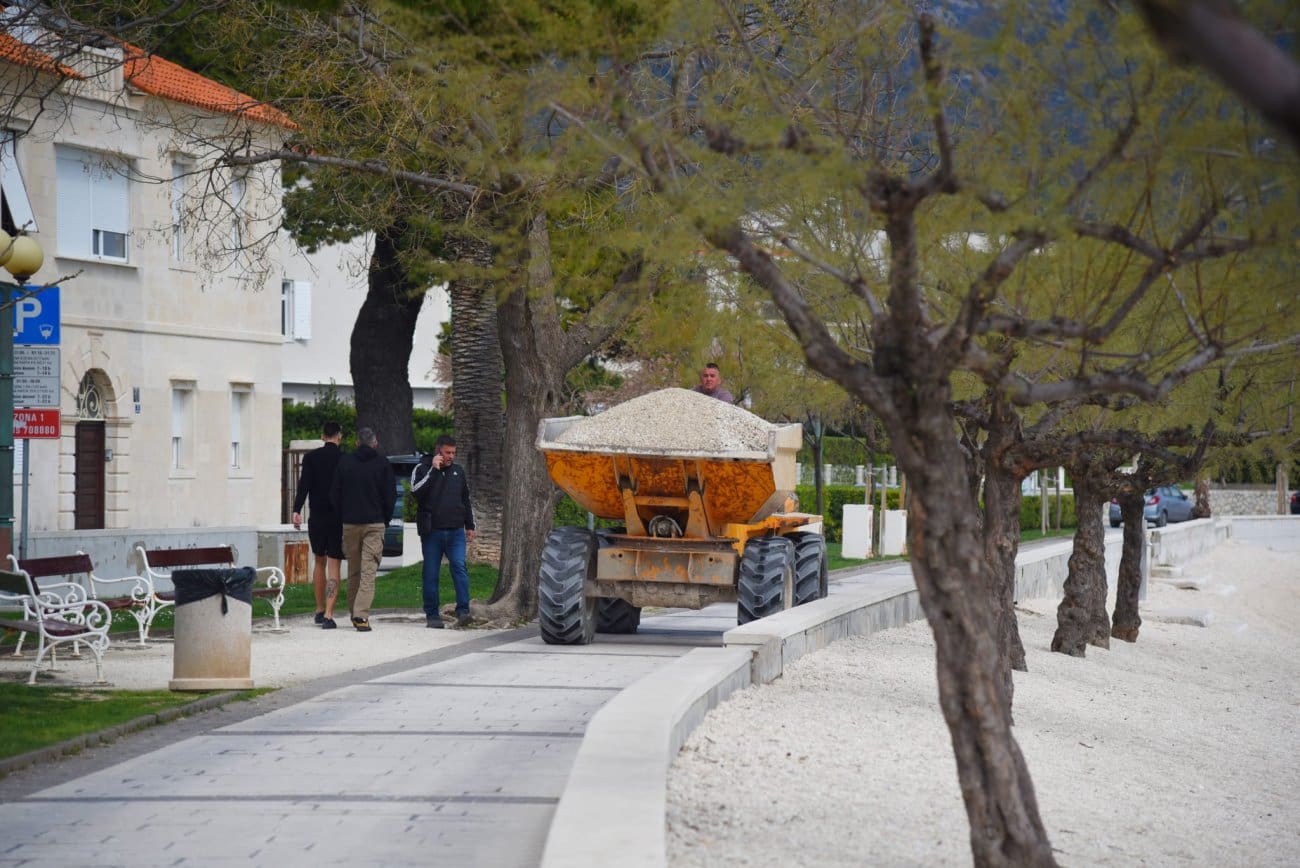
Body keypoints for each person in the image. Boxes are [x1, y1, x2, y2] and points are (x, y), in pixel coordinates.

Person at [329, 426, 395, 633]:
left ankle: (354, 613)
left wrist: (343, 516)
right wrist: (384, 518)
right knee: (369, 572)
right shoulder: (383, 464)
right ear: (375, 443)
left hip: (350, 524)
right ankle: (361, 615)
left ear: (357, 443)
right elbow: (390, 496)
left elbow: (334, 494)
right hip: (374, 523)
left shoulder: (345, 462)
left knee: (354, 571)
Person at [410, 435, 476, 629]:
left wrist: (469, 525)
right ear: (438, 451)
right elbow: (415, 493)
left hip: (455, 531)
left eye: (454, 453)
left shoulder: (458, 471)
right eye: (447, 453)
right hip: (432, 532)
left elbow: (465, 499)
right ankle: (432, 614)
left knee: (459, 567)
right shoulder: (422, 468)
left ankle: (463, 611)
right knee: (431, 573)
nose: (451, 457)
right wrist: (433, 470)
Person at [291, 421, 345, 629]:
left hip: (318, 516)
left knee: (319, 561)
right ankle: (330, 614)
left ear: (323, 436)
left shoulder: (311, 458)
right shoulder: (344, 459)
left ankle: (319, 608)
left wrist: (296, 510)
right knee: (334, 564)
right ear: (339, 436)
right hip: (338, 518)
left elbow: (304, 485)